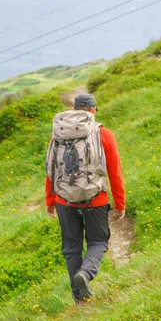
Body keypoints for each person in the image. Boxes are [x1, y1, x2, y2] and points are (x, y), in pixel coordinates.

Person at [45, 93, 126, 303]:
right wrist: (119, 204)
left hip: (64, 200)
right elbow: (114, 172)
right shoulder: (104, 134)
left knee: (71, 248)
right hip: (95, 199)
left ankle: (80, 299)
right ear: (93, 110)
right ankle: (86, 274)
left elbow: (51, 169)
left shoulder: (57, 135)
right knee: (98, 241)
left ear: (73, 109)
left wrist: (50, 201)